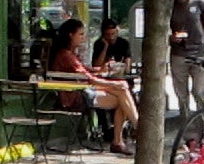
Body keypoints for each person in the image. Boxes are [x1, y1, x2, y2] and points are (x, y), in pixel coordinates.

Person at [49, 18, 139, 155]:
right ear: (70, 35)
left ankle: (126, 135)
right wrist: (112, 83)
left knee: (122, 92)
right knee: (122, 92)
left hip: (82, 90)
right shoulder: (65, 56)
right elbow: (88, 79)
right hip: (75, 96)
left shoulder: (70, 55)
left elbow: (85, 71)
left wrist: (101, 70)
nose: (83, 37)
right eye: (80, 34)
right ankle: (132, 131)